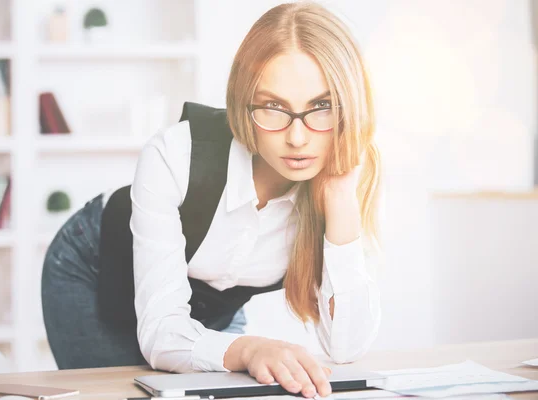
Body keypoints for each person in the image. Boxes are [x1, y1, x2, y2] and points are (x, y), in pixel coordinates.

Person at [42, 2, 382, 398]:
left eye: (321, 107)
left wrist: (340, 203)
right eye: (274, 107)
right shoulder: (174, 155)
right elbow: (161, 332)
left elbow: (347, 348)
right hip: (93, 267)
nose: (298, 137)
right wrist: (251, 347)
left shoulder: (350, 177)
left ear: (349, 107)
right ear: (244, 101)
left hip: (207, 305)